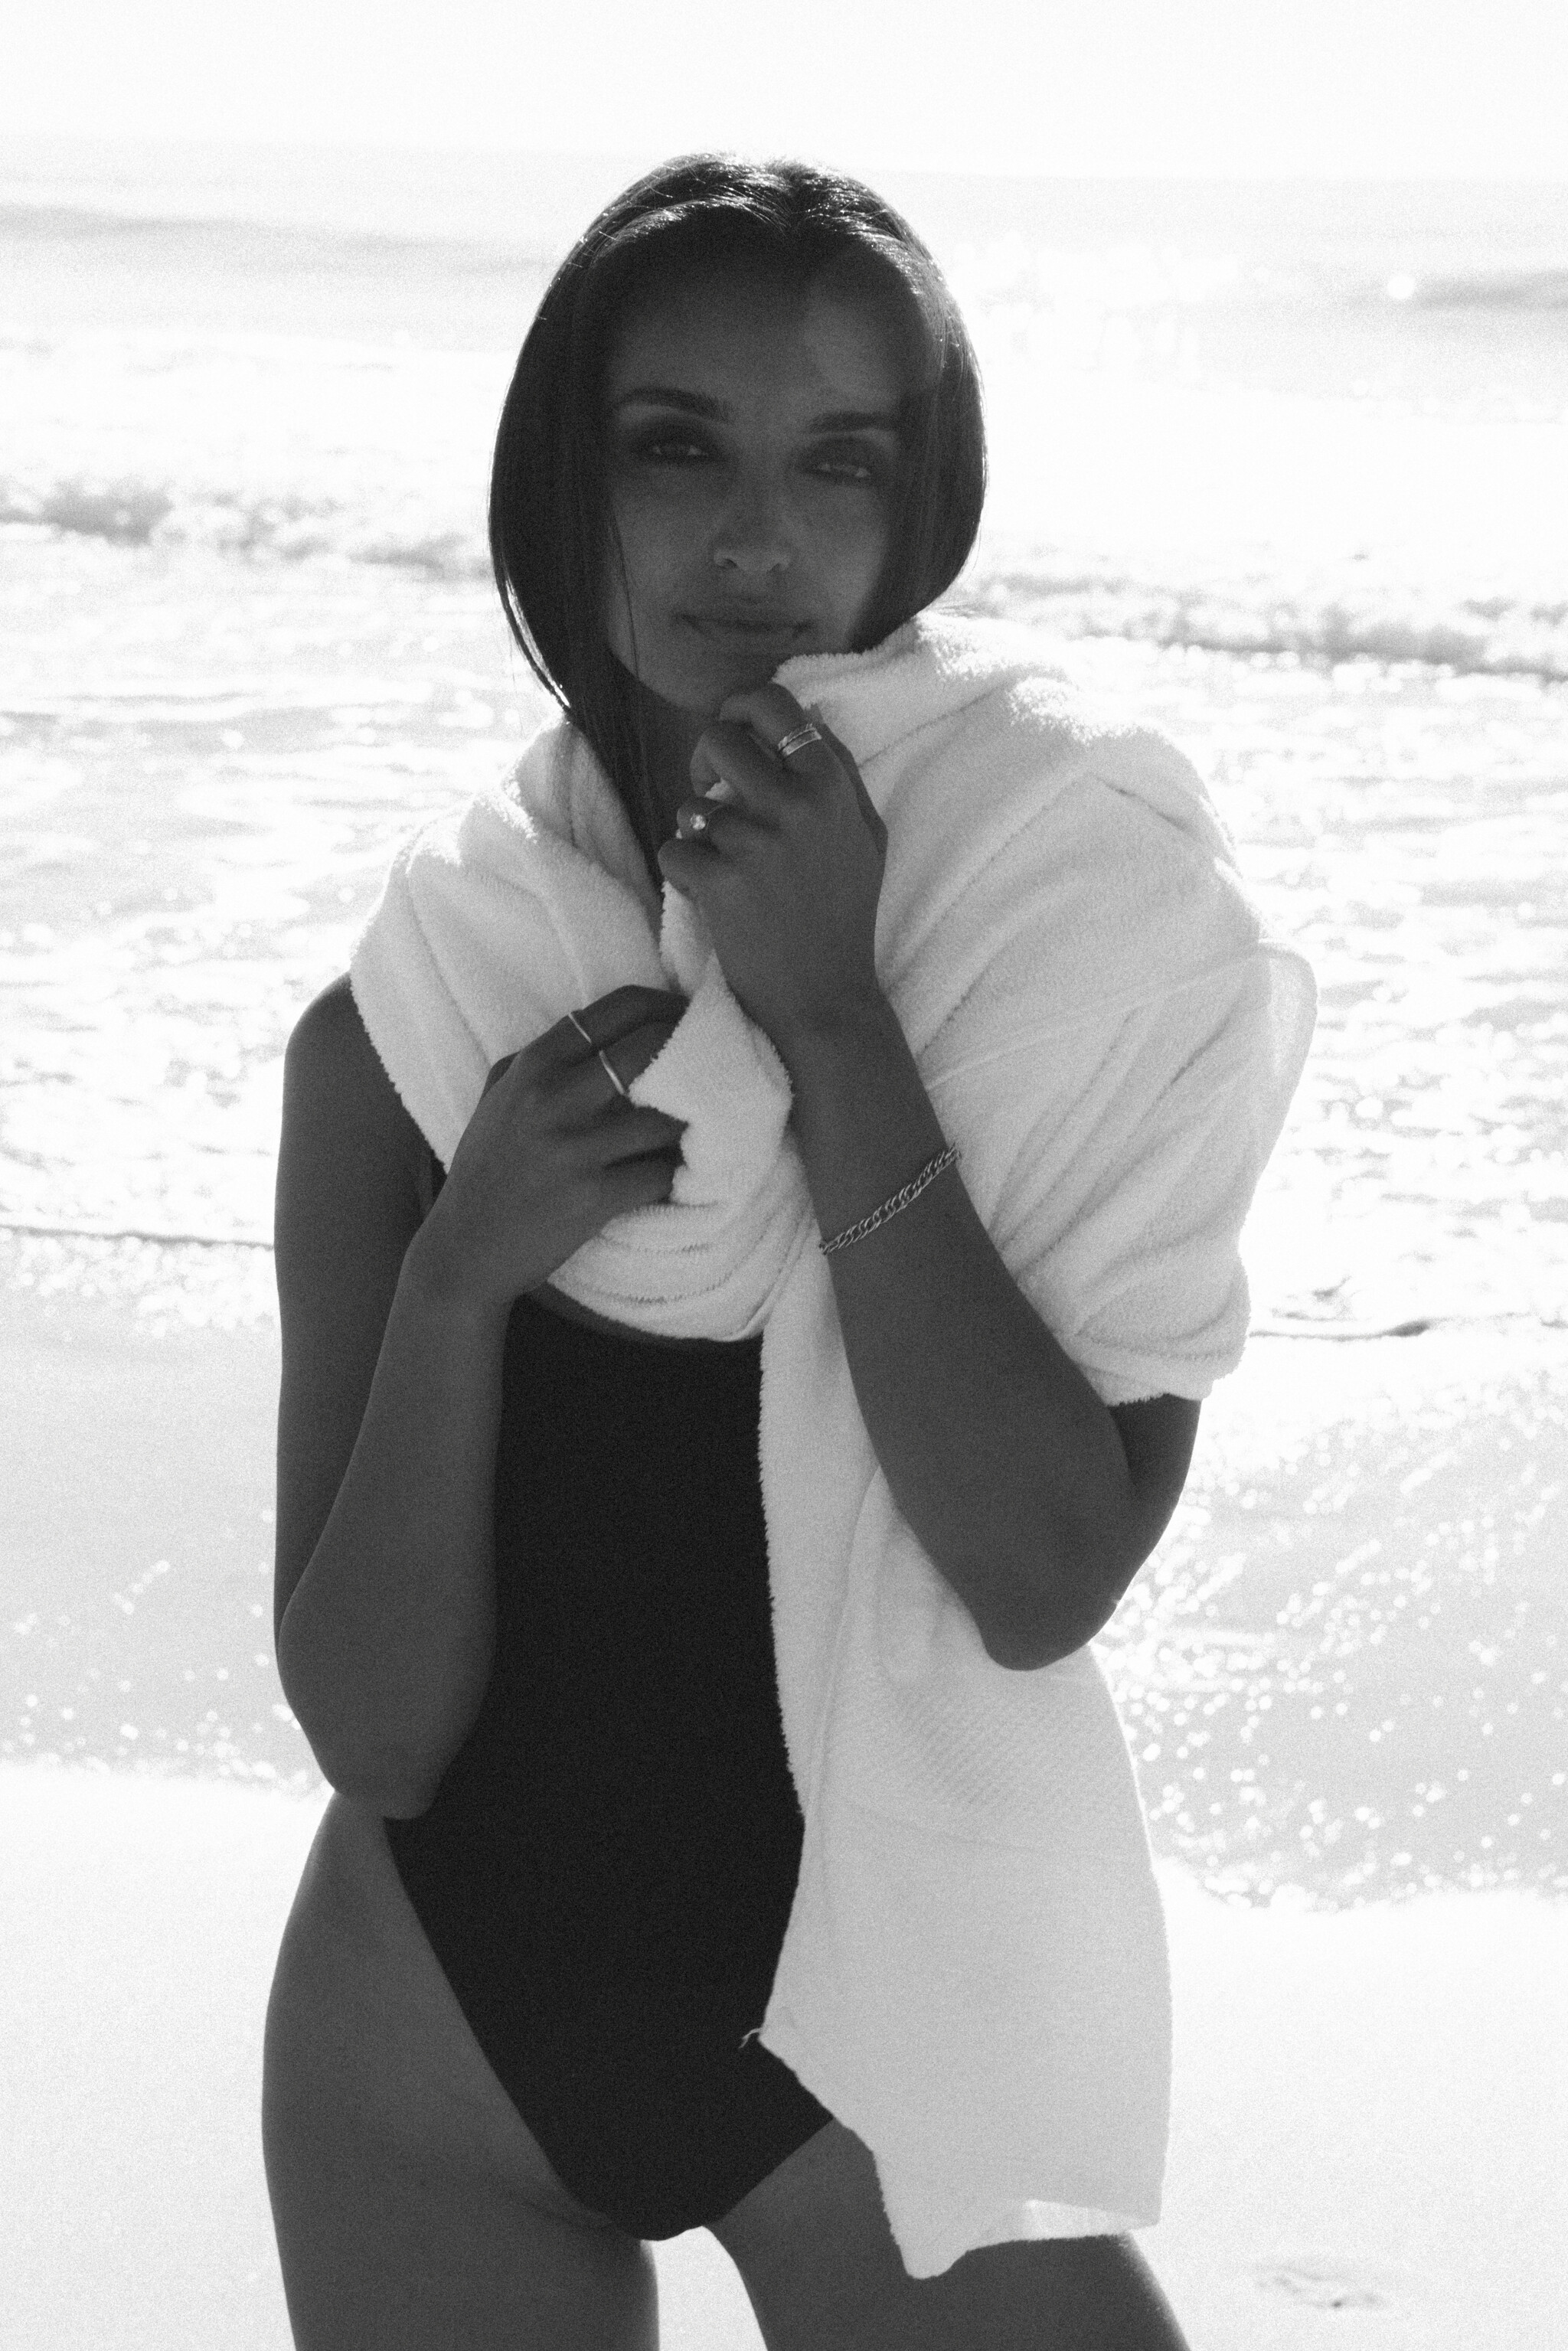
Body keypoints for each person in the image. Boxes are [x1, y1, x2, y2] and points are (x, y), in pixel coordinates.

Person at [262, 155, 1312, 2349]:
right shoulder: (418, 1019)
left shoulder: (1067, 932)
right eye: (677, 451)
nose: (758, 537)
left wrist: (833, 1016)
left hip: (873, 2062)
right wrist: (463, 1276)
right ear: (565, 485)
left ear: (923, 511)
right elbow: (375, 1733)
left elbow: (1041, 1569)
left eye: (842, 460)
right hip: (429, 2047)